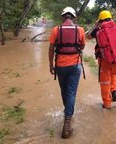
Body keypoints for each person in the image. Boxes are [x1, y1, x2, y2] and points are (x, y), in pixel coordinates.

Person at [48, 7, 85, 138]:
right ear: (74, 18)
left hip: (60, 65)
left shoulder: (55, 30)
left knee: (64, 91)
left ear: (63, 17)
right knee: (71, 92)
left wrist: (51, 64)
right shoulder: (80, 30)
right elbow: (82, 46)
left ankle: (67, 112)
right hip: (75, 65)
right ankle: (67, 121)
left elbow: (51, 48)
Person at [87, 10, 116, 109]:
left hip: (104, 59)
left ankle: (107, 104)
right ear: (111, 18)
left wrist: (95, 26)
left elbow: (88, 37)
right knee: (113, 75)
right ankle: (114, 90)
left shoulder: (98, 29)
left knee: (105, 81)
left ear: (100, 20)